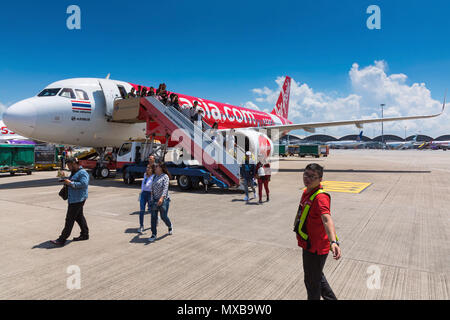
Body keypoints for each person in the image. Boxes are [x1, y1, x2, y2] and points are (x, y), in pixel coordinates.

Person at [293, 163, 341, 300]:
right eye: (306, 174)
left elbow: (326, 219)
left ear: (320, 179)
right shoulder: (307, 191)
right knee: (317, 276)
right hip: (309, 244)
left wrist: (334, 242)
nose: (307, 178)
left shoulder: (320, 197)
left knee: (312, 282)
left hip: (316, 248)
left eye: (312, 176)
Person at [51, 157, 89, 246]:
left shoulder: (82, 173)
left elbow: (84, 184)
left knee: (69, 219)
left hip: (78, 199)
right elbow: (71, 182)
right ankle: (85, 234)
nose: (68, 167)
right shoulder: (74, 172)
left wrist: (71, 183)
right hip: (74, 198)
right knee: (79, 217)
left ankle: (62, 239)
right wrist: (64, 179)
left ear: (74, 164)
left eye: (69, 165)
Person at [148, 163, 173, 242]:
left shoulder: (165, 177)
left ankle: (170, 226)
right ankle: (153, 234)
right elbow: (152, 189)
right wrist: (151, 199)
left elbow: (165, 189)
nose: (155, 168)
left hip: (164, 200)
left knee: (163, 216)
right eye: (155, 167)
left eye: (157, 167)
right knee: (153, 217)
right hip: (154, 200)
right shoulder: (154, 176)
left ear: (161, 168)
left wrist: (162, 198)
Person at [138, 164, 155, 233]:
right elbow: (143, 184)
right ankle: (141, 226)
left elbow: (153, 186)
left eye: (149, 168)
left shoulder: (154, 176)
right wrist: (141, 192)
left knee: (151, 210)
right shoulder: (145, 174)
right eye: (147, 167)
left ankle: (156, 220)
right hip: (143, 194)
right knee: (142, 210)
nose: (147, 169)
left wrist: (152, 194)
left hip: (150, 194)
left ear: (152, 169)